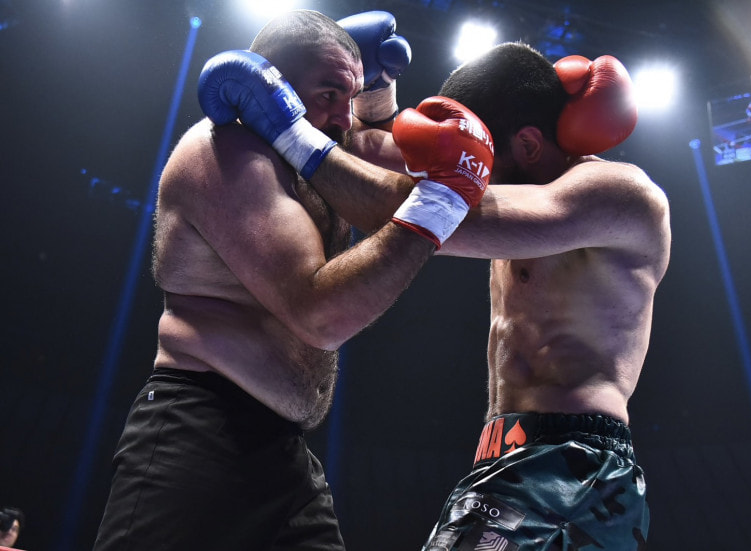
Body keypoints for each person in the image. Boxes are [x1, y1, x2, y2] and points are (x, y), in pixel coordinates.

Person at [222, 41, 670, 549]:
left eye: (481, 159)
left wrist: (285, 129)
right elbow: (373, 153)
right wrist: (374, 90)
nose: (466, 172)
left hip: (575, 468)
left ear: (527, 145)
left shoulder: (620, 197)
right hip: (505, 459)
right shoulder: (510, 176)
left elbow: (416, 212)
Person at [92, 9, 493, 551]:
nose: (342, 118)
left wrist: (379, 96)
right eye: (328, 94)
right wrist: (439, 206)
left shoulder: (316, 151)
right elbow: (319, 314)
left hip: (284, 453)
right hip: (196, 432)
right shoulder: (225, 151)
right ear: (271, 83)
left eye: (350, 99)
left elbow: (386, 168)